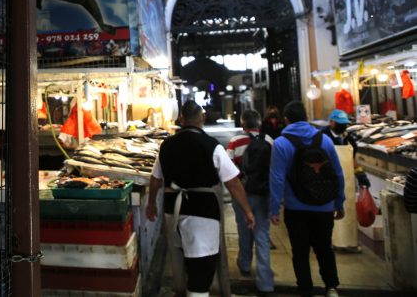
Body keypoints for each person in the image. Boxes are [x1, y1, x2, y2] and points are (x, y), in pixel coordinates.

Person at [147, 100, 255, 297]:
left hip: (173, 212)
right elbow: (233, 182)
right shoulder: (211, 146)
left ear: (181, 119)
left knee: (182, 263)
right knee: (202, 270)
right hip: (202, 213)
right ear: (202, 118)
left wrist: (151, 204)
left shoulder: (167, 145)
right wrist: (247, 210)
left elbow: (155, 179)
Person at [270, 101, 345, 297]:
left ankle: (305, 290)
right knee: (324, 248)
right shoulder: (325, 141)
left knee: (300, 251)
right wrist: (339, 201)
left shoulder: (281, 143)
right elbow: (338, 173)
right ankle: (331, 287)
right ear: (305, 117)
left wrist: (274, 208)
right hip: (324, 205)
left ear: (286, 119)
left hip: (296, 207)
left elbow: (277, 178)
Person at [226, 109, 275, 296]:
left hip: (242, 194)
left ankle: (245, 264)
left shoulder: (235, 142)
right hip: (263, 194)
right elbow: (275, 168)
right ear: (259, 123)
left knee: (244, 229)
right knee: (262, 234)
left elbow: (228, 168)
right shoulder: (269, 141)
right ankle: (265, 283)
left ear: (243, 123)